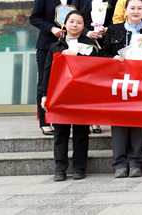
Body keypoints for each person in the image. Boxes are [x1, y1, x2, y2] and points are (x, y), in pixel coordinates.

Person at [98, 0, 142, 178]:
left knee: (140, 121)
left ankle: (135, 162)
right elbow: (103, 53)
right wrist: (113, 58)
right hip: (119, 83)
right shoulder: (114, 29)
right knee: (118, 123)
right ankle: (119, 163)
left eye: (139, 8)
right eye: (132, 8)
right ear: (125, 10)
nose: (135, 12)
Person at [41, 10, 97, 181]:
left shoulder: (90, 44)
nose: (75, 25)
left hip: (82, 96)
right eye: (71, 21)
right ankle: (60, 169)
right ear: (64, 24)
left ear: (84, 26)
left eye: (79, 22)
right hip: (60, 95)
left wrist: (77, 56)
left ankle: (79, 168)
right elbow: (47, 72)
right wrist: (45, 95)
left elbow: (95, 67)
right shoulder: (56, 46)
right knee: (60, 133)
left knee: (81, 132)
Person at [30, 0, 75, 136]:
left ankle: (61, 119)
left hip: (68, 46)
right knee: (44, 82)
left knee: (65, 82)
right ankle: (44, 121)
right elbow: (34, 18)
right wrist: (51, 28)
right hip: (47, 45)